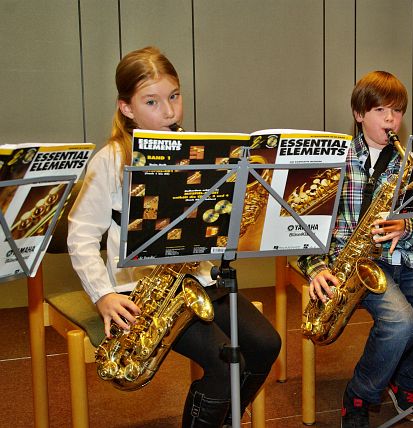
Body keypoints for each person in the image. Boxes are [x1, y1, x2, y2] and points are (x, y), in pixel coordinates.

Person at [67, 46, 281, 428]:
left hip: (196, 277)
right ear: (126, 108)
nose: (169, 112)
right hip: (139, 289)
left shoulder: (197, 151)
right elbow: (80, 235)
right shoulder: (111, 159)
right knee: (223, 364)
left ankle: (221, 419)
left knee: (266, 344)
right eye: (152, 102)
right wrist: (103, 295)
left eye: (174, 97)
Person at [298, 70, 413, 427]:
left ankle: (406, 382)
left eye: (397, 111)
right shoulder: (334, 161)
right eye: (380, 110)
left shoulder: (411, 164)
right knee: (400, 324)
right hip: (358, 265)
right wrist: (316, 267)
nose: (390, 120)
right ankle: (360, 395)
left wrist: (406, 226)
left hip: (410, 261)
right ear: (359, 113)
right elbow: (306, 225)